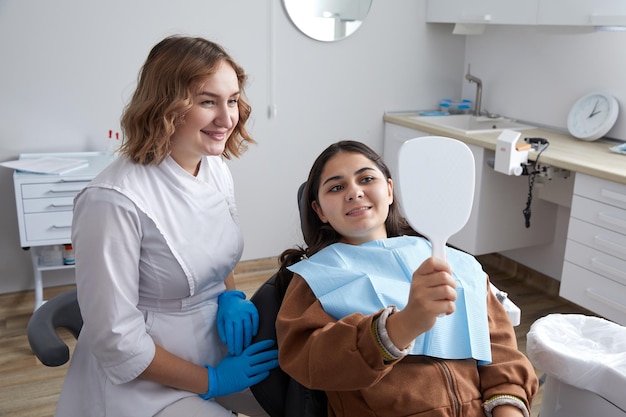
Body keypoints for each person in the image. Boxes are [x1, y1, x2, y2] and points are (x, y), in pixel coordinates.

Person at [56, 35, 278, 417]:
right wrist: (211, 381)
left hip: (214, 344)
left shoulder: (215, 168)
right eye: (208, 101)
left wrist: (229, 296)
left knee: (302, 398)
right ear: (166, 105)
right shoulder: (113, 200)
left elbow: (216, 252)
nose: (227, 119)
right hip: (146, 376)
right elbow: (117, 341)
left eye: (232, 100)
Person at [275, 140, 538, 417]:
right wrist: (402, 325)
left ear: (389, 190)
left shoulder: (457, 265)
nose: (354, 192)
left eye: (366, 178)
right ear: (319, 211)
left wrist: (508, 408)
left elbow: (499, 350)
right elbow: (310, 362)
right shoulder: (314, 278)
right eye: (336, 187)